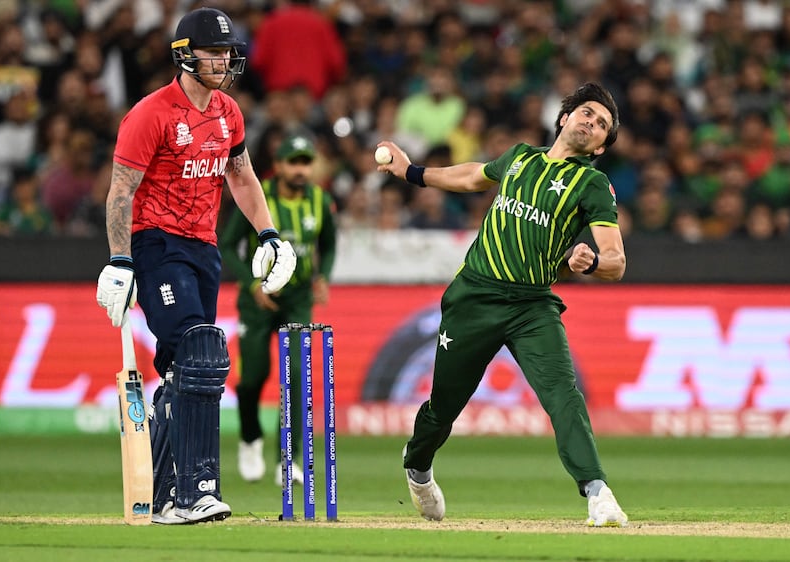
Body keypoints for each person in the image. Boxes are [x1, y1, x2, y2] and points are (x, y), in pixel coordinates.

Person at [376, 82, 629, 527]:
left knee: (563, 396)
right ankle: (418, 466)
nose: (591, 122)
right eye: (586, 113)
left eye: (602, 124)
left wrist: (590, 264)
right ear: (564, 117)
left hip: (532, 306)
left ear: (602, 146)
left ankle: (597, 491)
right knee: (444, 405)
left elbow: (616, 260)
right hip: (474, 297)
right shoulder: (520, 157)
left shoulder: (592, 184)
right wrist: (413, 173)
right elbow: (473, 176)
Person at [95, 7, 296, 525]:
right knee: (199, 352)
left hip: (204, 249)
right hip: (157, 244)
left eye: (228, 52)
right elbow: (121, 192)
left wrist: (269, 233)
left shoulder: (228, 111)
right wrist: (120, 260)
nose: (224, 60)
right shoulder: (150, 114)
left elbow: (243, 178)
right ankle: (194, 492)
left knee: (182, 371)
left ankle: (163, 496)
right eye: (213, 52)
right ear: (185, 55)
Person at [220, 133, 337, 486]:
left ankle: (290, 460)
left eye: (306, 162)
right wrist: (251, 283)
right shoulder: (260, 198)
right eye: (293, 162)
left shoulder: (319, 200)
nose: (300, 170)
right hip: (257, 301)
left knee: (298, 377)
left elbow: (329, 245)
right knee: (253, 376)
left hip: (297, 299)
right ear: (279, 165)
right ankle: (250, 439)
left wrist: (323, 276)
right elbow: (227, 246)